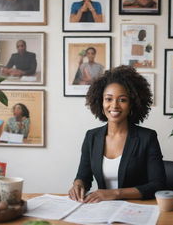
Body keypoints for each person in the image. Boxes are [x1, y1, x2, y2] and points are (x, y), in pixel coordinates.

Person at [68, 65, 166, 203]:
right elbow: (83, 177)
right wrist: (77, 185)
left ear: (132, 104)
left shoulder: (147, 137)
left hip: (136, 208)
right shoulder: (92, 137)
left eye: (122, 99)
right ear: (100, 102)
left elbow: (158, 185)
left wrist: (115, 193)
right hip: (101, 209)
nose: (114, 106)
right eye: (108, 99)